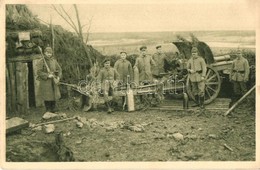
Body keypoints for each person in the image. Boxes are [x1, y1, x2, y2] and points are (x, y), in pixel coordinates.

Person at [37, 46, 62, 113]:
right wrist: (47, 75)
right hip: (46, 82)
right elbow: (39, 72)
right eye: (47, 53)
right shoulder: (41, 61)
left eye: (50, 53)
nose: (49, 54)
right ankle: (48, 110)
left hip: (53, 81)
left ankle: (53, 109)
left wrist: (58, 77)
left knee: (54, 95)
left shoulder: (53, 61)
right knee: (47, 96)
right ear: (45, 53)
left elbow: (59, 69)